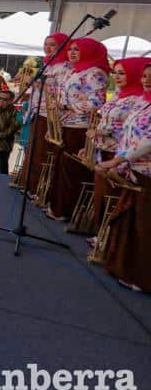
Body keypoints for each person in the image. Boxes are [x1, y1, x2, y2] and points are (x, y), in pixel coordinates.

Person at [96, 61, 151, 291]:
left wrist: (117, 160)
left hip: (146, 171)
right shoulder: (143, 103)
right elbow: (127, 136)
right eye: (146, 76)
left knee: (144, 224)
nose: (147, 80)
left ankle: (143, 277)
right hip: (132, 167)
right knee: (131, 221)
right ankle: (126, 267)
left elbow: (147, 142)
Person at [84, 58, 151, 242]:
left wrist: (117, 160)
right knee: (105, 198)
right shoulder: (133, 99)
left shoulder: (136, 98)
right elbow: (127, 131)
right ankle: (103, 237)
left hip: (129, 161)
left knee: (117, 202)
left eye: (123, 72)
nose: (146, 80)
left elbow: (143, 138)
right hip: (116, 155)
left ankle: (107, 240)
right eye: (116, 73)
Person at [45, 38, 108, 221]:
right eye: (71, 49)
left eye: (77, 50)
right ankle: (56, 205)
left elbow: (97, 102)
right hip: (65, 123)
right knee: (60, 167)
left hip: (80, 127)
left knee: (70, 170)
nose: (72, 52)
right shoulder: (75, 70)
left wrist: (68, 106)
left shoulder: (95, 73)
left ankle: (65, 209)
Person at [20, 33, 72, 196]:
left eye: (52, 45)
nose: (47, 48)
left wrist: (37, 83)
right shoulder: (47, 64)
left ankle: (37, 188)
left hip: (49, 114)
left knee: (41, 153)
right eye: (46, 44)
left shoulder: (65, 67)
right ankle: (27, 184)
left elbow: (63, 92)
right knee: (33, 151)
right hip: (37, 112)